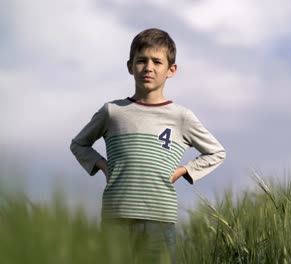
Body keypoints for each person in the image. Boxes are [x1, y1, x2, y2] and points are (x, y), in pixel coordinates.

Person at [70, 28, 226, 263]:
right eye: (142, 61)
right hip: (116, 218)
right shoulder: (112, 112)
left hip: (159, 220)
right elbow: (79, 144)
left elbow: (216, 152)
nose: (148, 68)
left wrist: (183, 171)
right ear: (130, 66)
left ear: (171, 70)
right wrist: (102, 165)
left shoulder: (180, 116)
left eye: (157, 62)